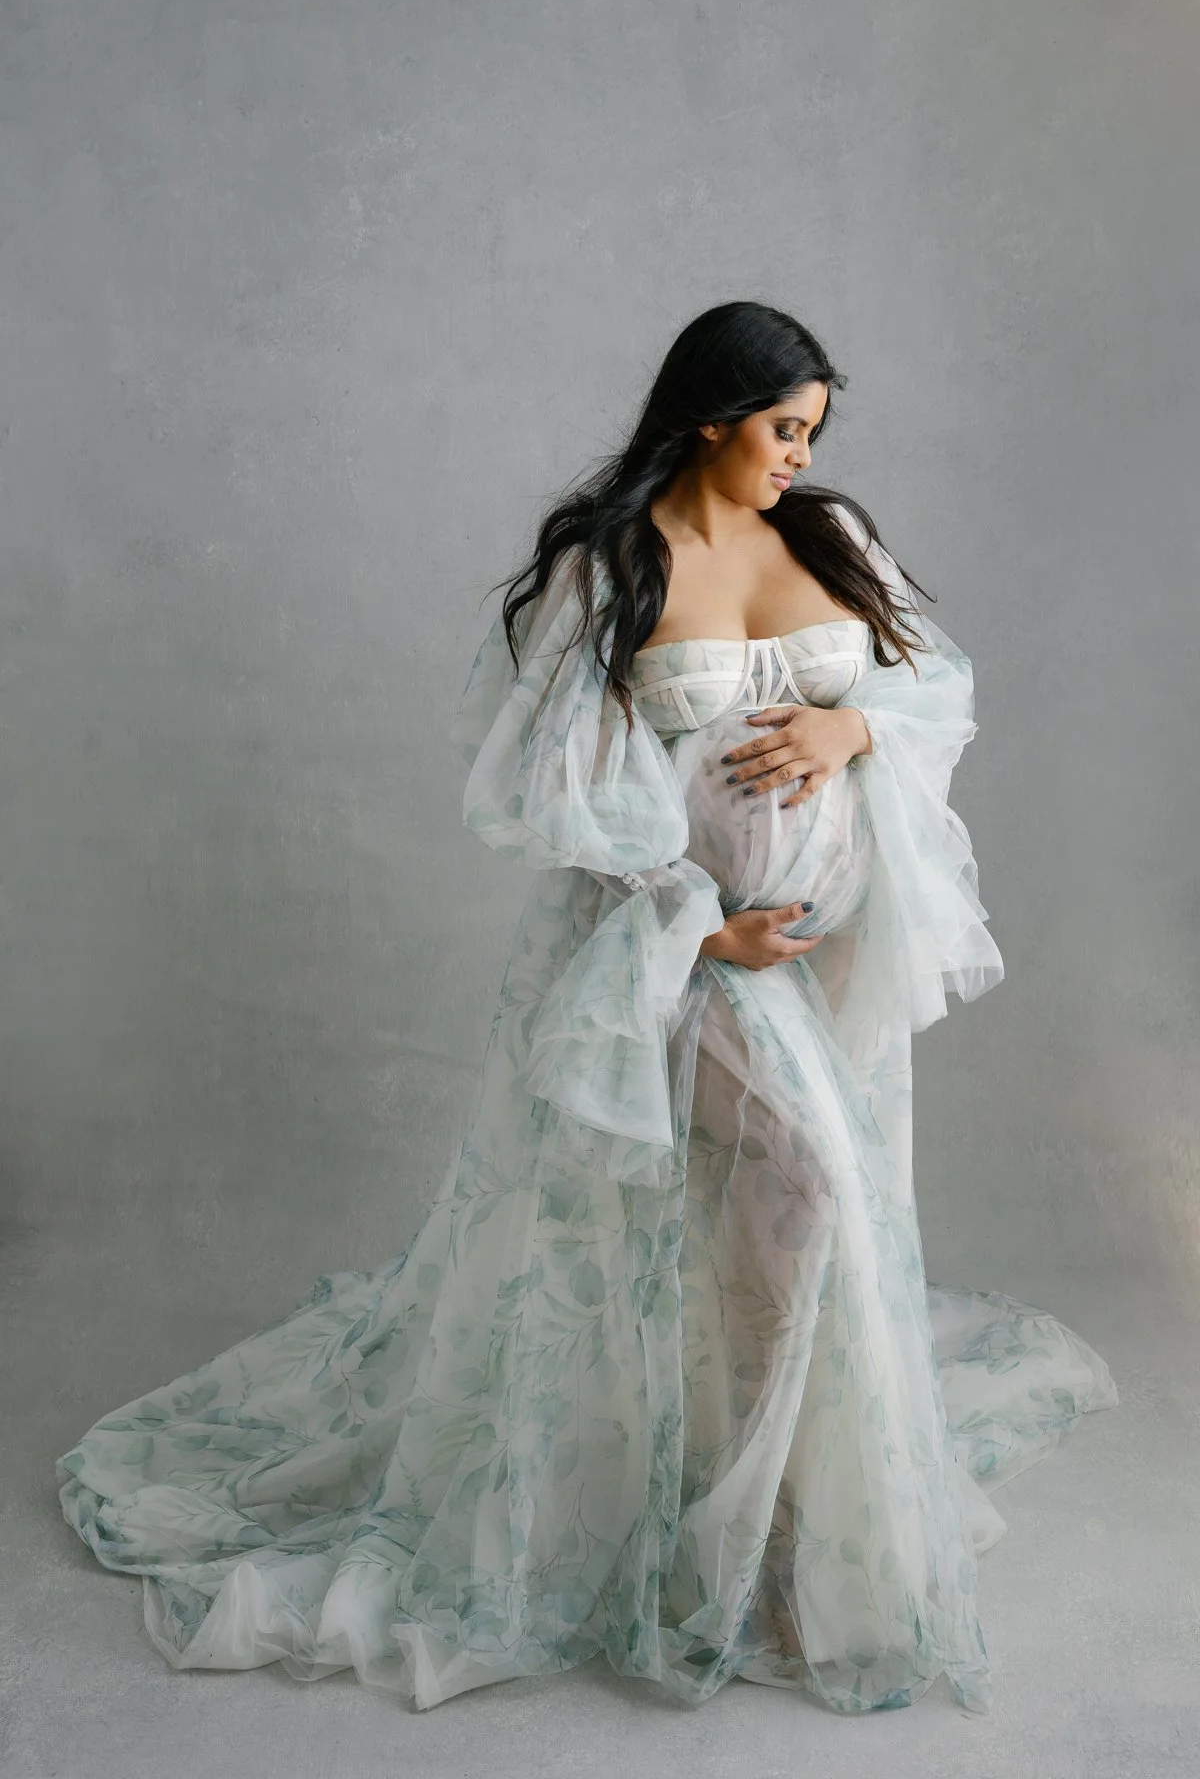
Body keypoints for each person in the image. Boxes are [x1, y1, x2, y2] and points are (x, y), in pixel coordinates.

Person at [56, 300, 1118, 1718]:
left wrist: (847, 725)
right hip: (676, 959)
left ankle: (767, 1514)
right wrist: (698, 922)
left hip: (817, 964)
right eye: (783, 428)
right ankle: (755, 1545)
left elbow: (940, 689)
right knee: (800, 1204)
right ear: (707, 416)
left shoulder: (829, 543)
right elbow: (547, 792)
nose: (801, 457)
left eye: (813, 432)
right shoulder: (608, 568)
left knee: (776, 1220)